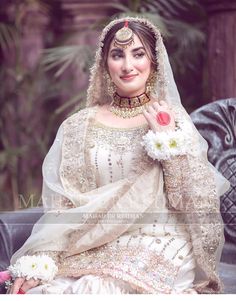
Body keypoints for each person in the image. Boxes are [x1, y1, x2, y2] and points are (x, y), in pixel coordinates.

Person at [8, 17, 230, 294]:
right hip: (92, 243)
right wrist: (44, 258)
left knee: (97, 290)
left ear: (154, 61)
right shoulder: (79, 125)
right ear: (104, 63)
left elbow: (193, 200)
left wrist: (166, 140)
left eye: (138, 54)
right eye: (117, 55)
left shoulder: (172, 120)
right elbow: (63, 206)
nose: (127, 66)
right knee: (48, 290)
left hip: (159, 240)